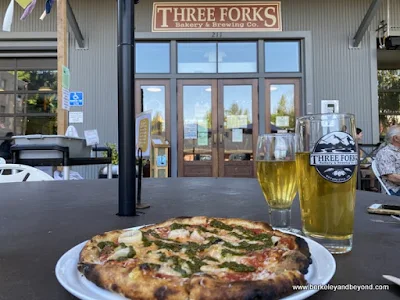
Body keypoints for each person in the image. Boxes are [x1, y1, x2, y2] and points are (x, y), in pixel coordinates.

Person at [375, 125, 400, 196]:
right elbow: (392, 177)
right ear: (396, 138)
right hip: (395, 191)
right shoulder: (386, 153)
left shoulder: (397, 151)